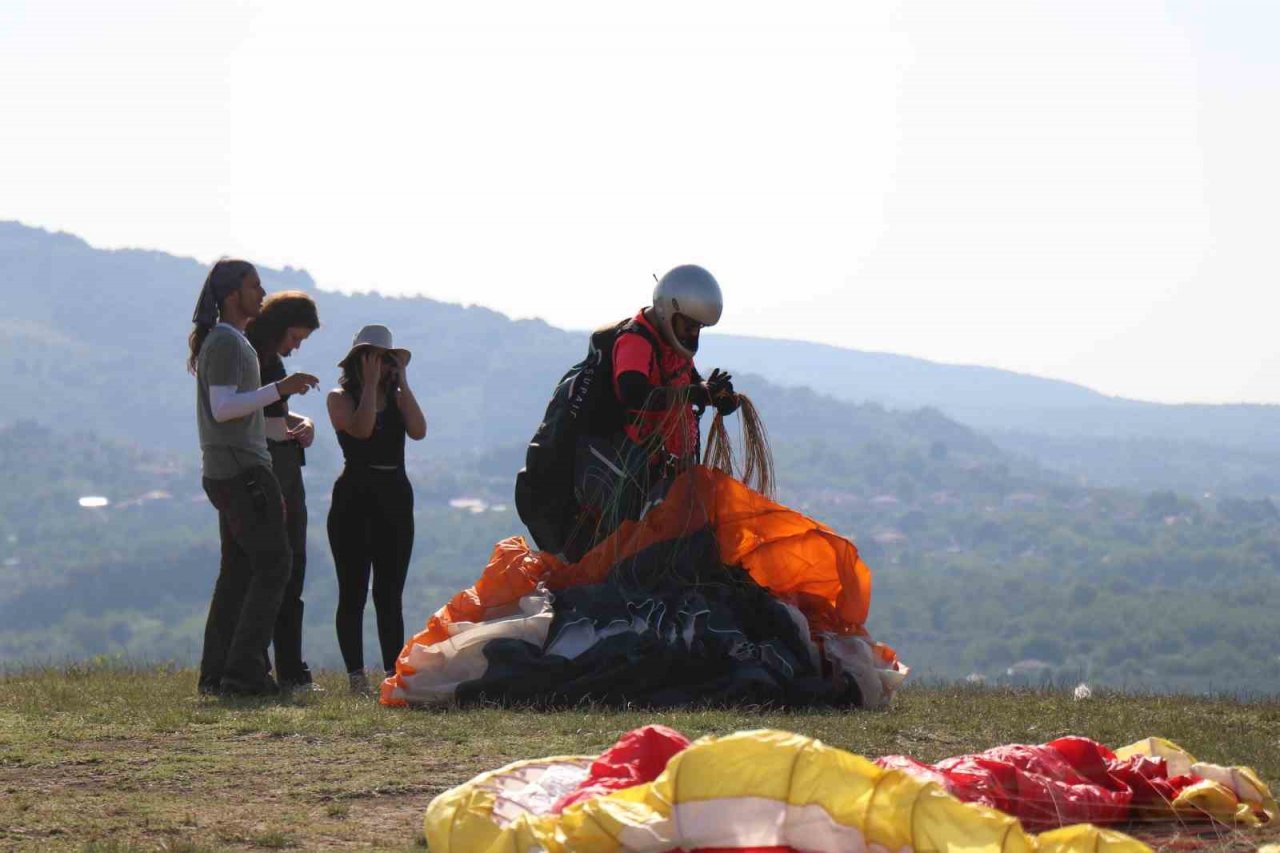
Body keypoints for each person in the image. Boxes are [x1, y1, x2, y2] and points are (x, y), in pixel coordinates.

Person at [188, 259, 319, 696]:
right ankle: (244, 673)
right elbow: (225, 407)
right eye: (254, 286)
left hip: (230, 470)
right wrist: (282, 389)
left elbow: (233, 405)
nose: (262, 294)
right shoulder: (227, 343)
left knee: (239, 572)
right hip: (243, 470)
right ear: (232, 295)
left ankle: (218, 673)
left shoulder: (229, 341)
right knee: (274, 566)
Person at [567, 264, 739, 559]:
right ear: (669, 312)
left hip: (665, 468)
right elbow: (633, 392)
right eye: (690, 325)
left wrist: (717, 396)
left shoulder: (672, 347)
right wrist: (694, 393)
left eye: (699, 327)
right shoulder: (636, 340)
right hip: (632, 468)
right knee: (631, 551)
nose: (694, 333)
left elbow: (689, 383)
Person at [326, 324, 427, 694]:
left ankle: (392, 674)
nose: (380, 366)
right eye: (373, 359)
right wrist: (369, 386)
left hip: (395, 497)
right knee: (352, 590)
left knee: (389, 593)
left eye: (385, 360)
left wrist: (403, 384)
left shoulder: (398, 398)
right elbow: (363, 430)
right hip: (355, 497)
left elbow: (419, 430)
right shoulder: (341, 397)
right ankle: (356, 676)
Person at [245, 291, 321, 692]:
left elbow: (272, 413)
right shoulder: (254, 358)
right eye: (295, 337)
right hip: (272, 466)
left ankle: (291, 667)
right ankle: (274, 667)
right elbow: (247, 412)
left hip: (287, 464)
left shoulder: (268, 360)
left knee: (293, 569)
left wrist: (303, 421)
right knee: (279, 569)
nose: (297, 346)